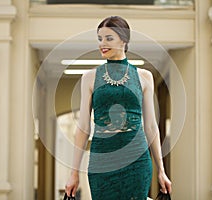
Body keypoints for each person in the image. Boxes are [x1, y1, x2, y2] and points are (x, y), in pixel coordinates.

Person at [65, 16, 171, 200]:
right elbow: (83, 127)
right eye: (99, 39)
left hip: (136, 161)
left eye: (108, 38)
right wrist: (74, 172)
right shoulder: (89, 77)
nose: (102, 44)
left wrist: (161, 170)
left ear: (124, 39)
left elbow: (151, 126)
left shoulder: (144, 77)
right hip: (102, 162)